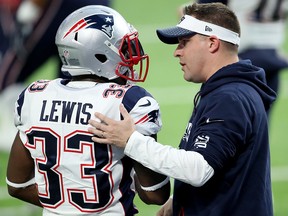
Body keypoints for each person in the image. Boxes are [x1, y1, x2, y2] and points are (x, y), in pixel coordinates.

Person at [87, 2, 276, 216]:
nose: (177, 52)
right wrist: (182, 199)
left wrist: (131, 140)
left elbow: (198, 168)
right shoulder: (225, 90)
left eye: (184, 42)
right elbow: (221, 166)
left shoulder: (229, 98)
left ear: (212, 43)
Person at [6, 5, 170, 215]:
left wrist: (68, 205)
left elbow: (17, 185)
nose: (130, 55)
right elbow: (154, 194)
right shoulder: (128, 102)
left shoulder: (34, 96)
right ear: (99, 55)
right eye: (123, 48)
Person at [0, 0, 111, 151]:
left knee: (12, 67)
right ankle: (78, 135)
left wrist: (33, 5)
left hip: (62, 6)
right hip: (93, 8)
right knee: (80, 79)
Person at [181, 0, 288, 118]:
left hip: (239, 61)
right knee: (257, 126)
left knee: (209, 119)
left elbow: (191, 14)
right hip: (273, 60)